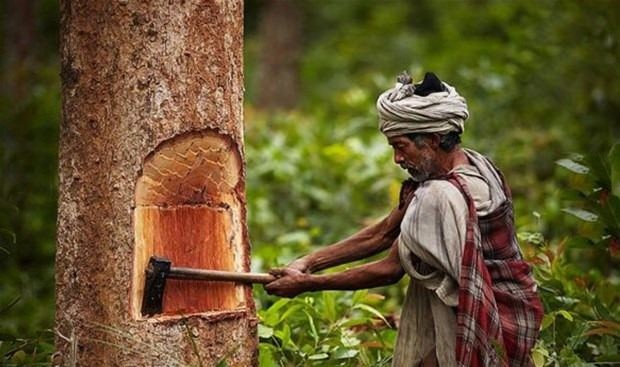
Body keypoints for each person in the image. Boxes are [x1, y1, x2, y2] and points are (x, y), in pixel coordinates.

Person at [264, 72, 544, 367]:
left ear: (433, 140)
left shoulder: (438, 196)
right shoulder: (478, 164)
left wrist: (308, 284)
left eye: (401, 146)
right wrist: (309, 262)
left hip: (490, 313)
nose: (397, 158)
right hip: (513, 307)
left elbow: (390, 268)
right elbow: (384, 232)